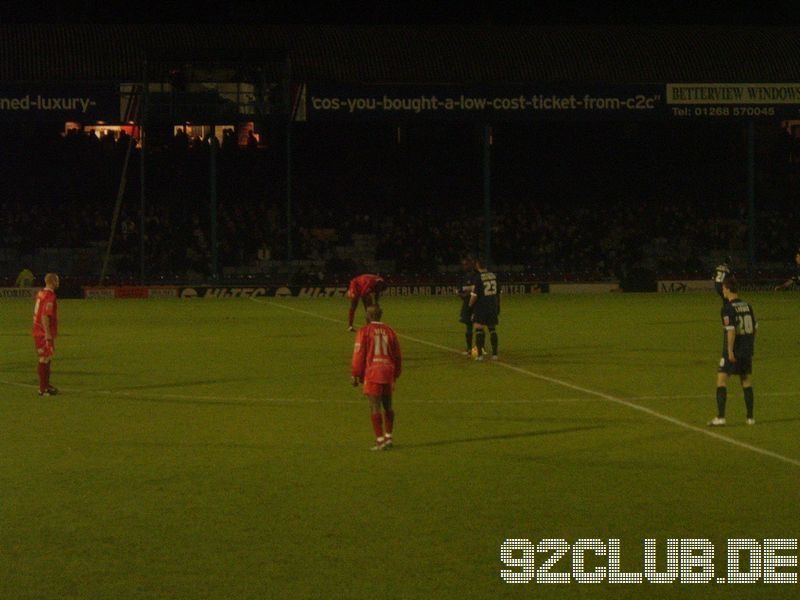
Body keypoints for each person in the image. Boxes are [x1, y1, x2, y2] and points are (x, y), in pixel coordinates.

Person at [351, 304, 402, 450]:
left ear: (369, 315)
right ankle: (389, 437)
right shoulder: (390, 331)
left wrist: (355, 373)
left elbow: (359, 353)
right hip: (388, 371)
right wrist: (396, 373)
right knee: (388, 405)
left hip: (374, 371)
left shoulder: (364, 331)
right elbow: (397, 354)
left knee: (374, 406)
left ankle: (380, 441)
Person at [709, 277, 756, 426]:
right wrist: (749, 345)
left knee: (721, 379)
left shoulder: (727, 308)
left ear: (728, 289)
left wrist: (730, 351)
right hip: (747, 349)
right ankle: (750, 418)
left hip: (734, 350)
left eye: (723, 288)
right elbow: (755, 328)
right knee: (746, 380)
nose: (722, 291)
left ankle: (721, 417)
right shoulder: (748, 306)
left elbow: (731, 331)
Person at [32, 273, 60, 396]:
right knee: (44, 358)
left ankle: (46, 385)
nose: (58, 283)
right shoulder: (50, 296)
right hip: (42, 332)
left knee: (47, 358)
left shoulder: (41, 293)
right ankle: (42, 389)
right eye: (57, 280)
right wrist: (48, 334)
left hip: (38, 330)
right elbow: (44, 315)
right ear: (53, 281)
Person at [468, 256, 500, 361]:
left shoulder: (478, 278)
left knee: (478, 328)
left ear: (477, 265)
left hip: (481, 307)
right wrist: (497, 305)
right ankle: (495, 354)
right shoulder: (493, 276)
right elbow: (498, 293)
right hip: (492, 305)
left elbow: (474, 295)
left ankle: (480, 355)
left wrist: (470, 305)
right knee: (492, 328)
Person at [458, 256, 476, 355]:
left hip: (476, 304)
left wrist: (469, 294)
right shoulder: (463, 277)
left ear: (470, 264)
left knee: (479, 326)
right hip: (466, 305)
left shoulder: (476, 276)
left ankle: (479, 348)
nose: (464, 266)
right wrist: (462, 295)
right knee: (468, 326)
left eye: (465, 264)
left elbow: (478, 290)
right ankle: (469, 349)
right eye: (463, 264)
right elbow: (459, 291)